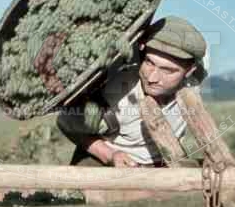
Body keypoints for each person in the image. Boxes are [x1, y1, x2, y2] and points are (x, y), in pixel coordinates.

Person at [56, 15, 209, 168]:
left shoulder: (194, 81)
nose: (152, 77)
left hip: (164, 164)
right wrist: (110, 155)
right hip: (112, 163)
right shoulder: (116, 93)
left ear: (190, 71)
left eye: (168, 70)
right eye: (149, 62)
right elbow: (66, 123)